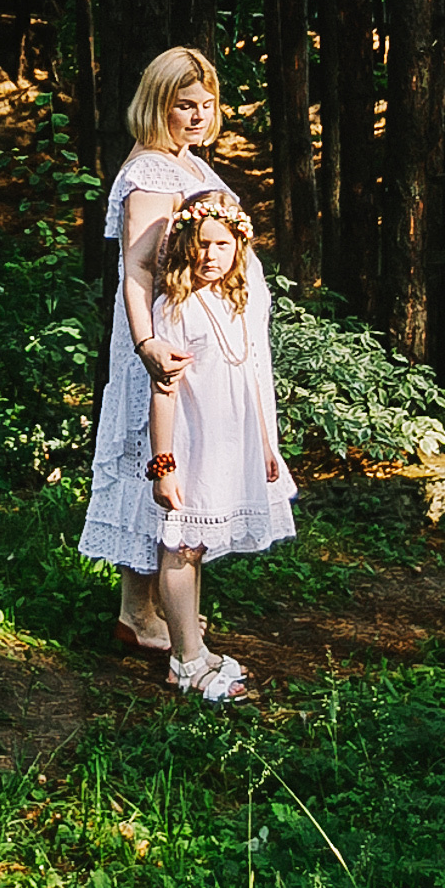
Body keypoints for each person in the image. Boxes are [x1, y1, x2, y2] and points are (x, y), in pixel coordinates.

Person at [77, 46, 263, 652]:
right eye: (185, 105)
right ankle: (143, 614)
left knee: (172, 462)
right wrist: (147, 341)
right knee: (158, 462)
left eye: (207, 105)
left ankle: (147, 610)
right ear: (159, 104)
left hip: (199, 335)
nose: (199, 116)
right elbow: (137, 267)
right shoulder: (153, 171)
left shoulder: (188, 165)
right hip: (165, 339)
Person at [146, 192, 294, 700]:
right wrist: (163, 464)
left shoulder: (237, 302)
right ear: (187, 246)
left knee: (198, 546)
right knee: (180, 544)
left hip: (228, 443)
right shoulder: (175, 306)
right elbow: (164, 392)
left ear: (239, 248)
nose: (211, 255)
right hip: (191, 441)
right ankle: (185, 660)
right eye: (202, 244)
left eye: (222, 245)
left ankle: (195, 647)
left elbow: (252, 376)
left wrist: (266, 443)